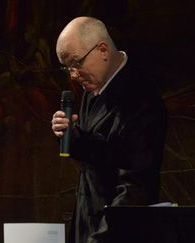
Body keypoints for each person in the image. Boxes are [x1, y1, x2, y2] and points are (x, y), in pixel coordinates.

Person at [51, 17, 167, 243]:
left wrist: (102, 238)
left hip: (116, 231)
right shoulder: (93, 86)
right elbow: (105, 153)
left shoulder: (141, 98)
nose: (73, 75)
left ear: (102, 49)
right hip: (86, 220)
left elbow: (136, 187)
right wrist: (72, 136)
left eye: (76, 63)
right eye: (67, 68)